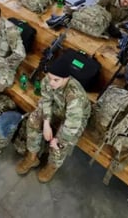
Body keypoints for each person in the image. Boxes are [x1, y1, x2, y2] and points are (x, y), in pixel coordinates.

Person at [15, 55, 91, 183]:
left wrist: (59, 141)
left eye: (56, 80)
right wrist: (46, 123)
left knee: (61, 144)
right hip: (58, 105)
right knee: (33, 120)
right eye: (50, 78)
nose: (51, 82)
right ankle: (32, 157)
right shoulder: (49, 80)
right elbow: (46, 100)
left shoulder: (75, 96)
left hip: (75, 118)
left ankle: (52, 166)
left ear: (66, 78)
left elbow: (72, 125)